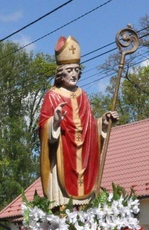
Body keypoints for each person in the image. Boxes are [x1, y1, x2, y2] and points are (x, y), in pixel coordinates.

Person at [38, 35, 119, 205]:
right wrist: (55, 122)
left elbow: (89, 126)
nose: (73, 74)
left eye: (76, 70)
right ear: (61, 73)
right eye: (69, 70)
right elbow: (43, 130)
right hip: (62, 158)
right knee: (62, 208)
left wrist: (104, 122)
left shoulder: (83, 95)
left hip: (85, 161)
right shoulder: (52, 96)